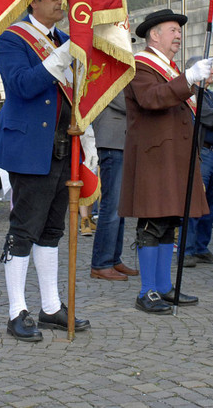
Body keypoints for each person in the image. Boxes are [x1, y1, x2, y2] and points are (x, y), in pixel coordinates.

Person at [0, 0, 90, 340]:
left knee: (52, 229)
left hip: (64, 146)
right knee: (24, 228)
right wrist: (63, 55)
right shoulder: (13, 39)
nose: (61, 3)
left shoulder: (64, 38)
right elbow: (21, 86)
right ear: (33, 0)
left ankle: (50, 306)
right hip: (30, 147)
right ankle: (16, 309)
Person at [120, 9, 211, 312]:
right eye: (173, 30)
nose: (179, 36)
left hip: (172, 157)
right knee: (151, 223)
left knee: (168, 222)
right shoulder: (141, 65)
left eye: (179, 31)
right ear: (154, 35)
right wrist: (188, 78)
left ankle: (164, 286)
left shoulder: (169, 69)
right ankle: (147, 291)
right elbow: (152, 99)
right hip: (154, 157)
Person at [89, 90, 140, 281]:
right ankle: (101, 263)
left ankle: (112, 258)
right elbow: (126, 102)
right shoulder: (110, 74)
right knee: (111, 206)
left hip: (122, 142)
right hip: (112, 143)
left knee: (119, 207)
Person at [181, 59, 213, 269]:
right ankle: (187, 249)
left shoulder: (210, 95)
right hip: (203, 152)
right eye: (208, 70)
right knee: (194, 203)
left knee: (211, 205)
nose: (212, 73)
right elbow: (208, 118)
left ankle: (201, 247)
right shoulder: (191, 94)